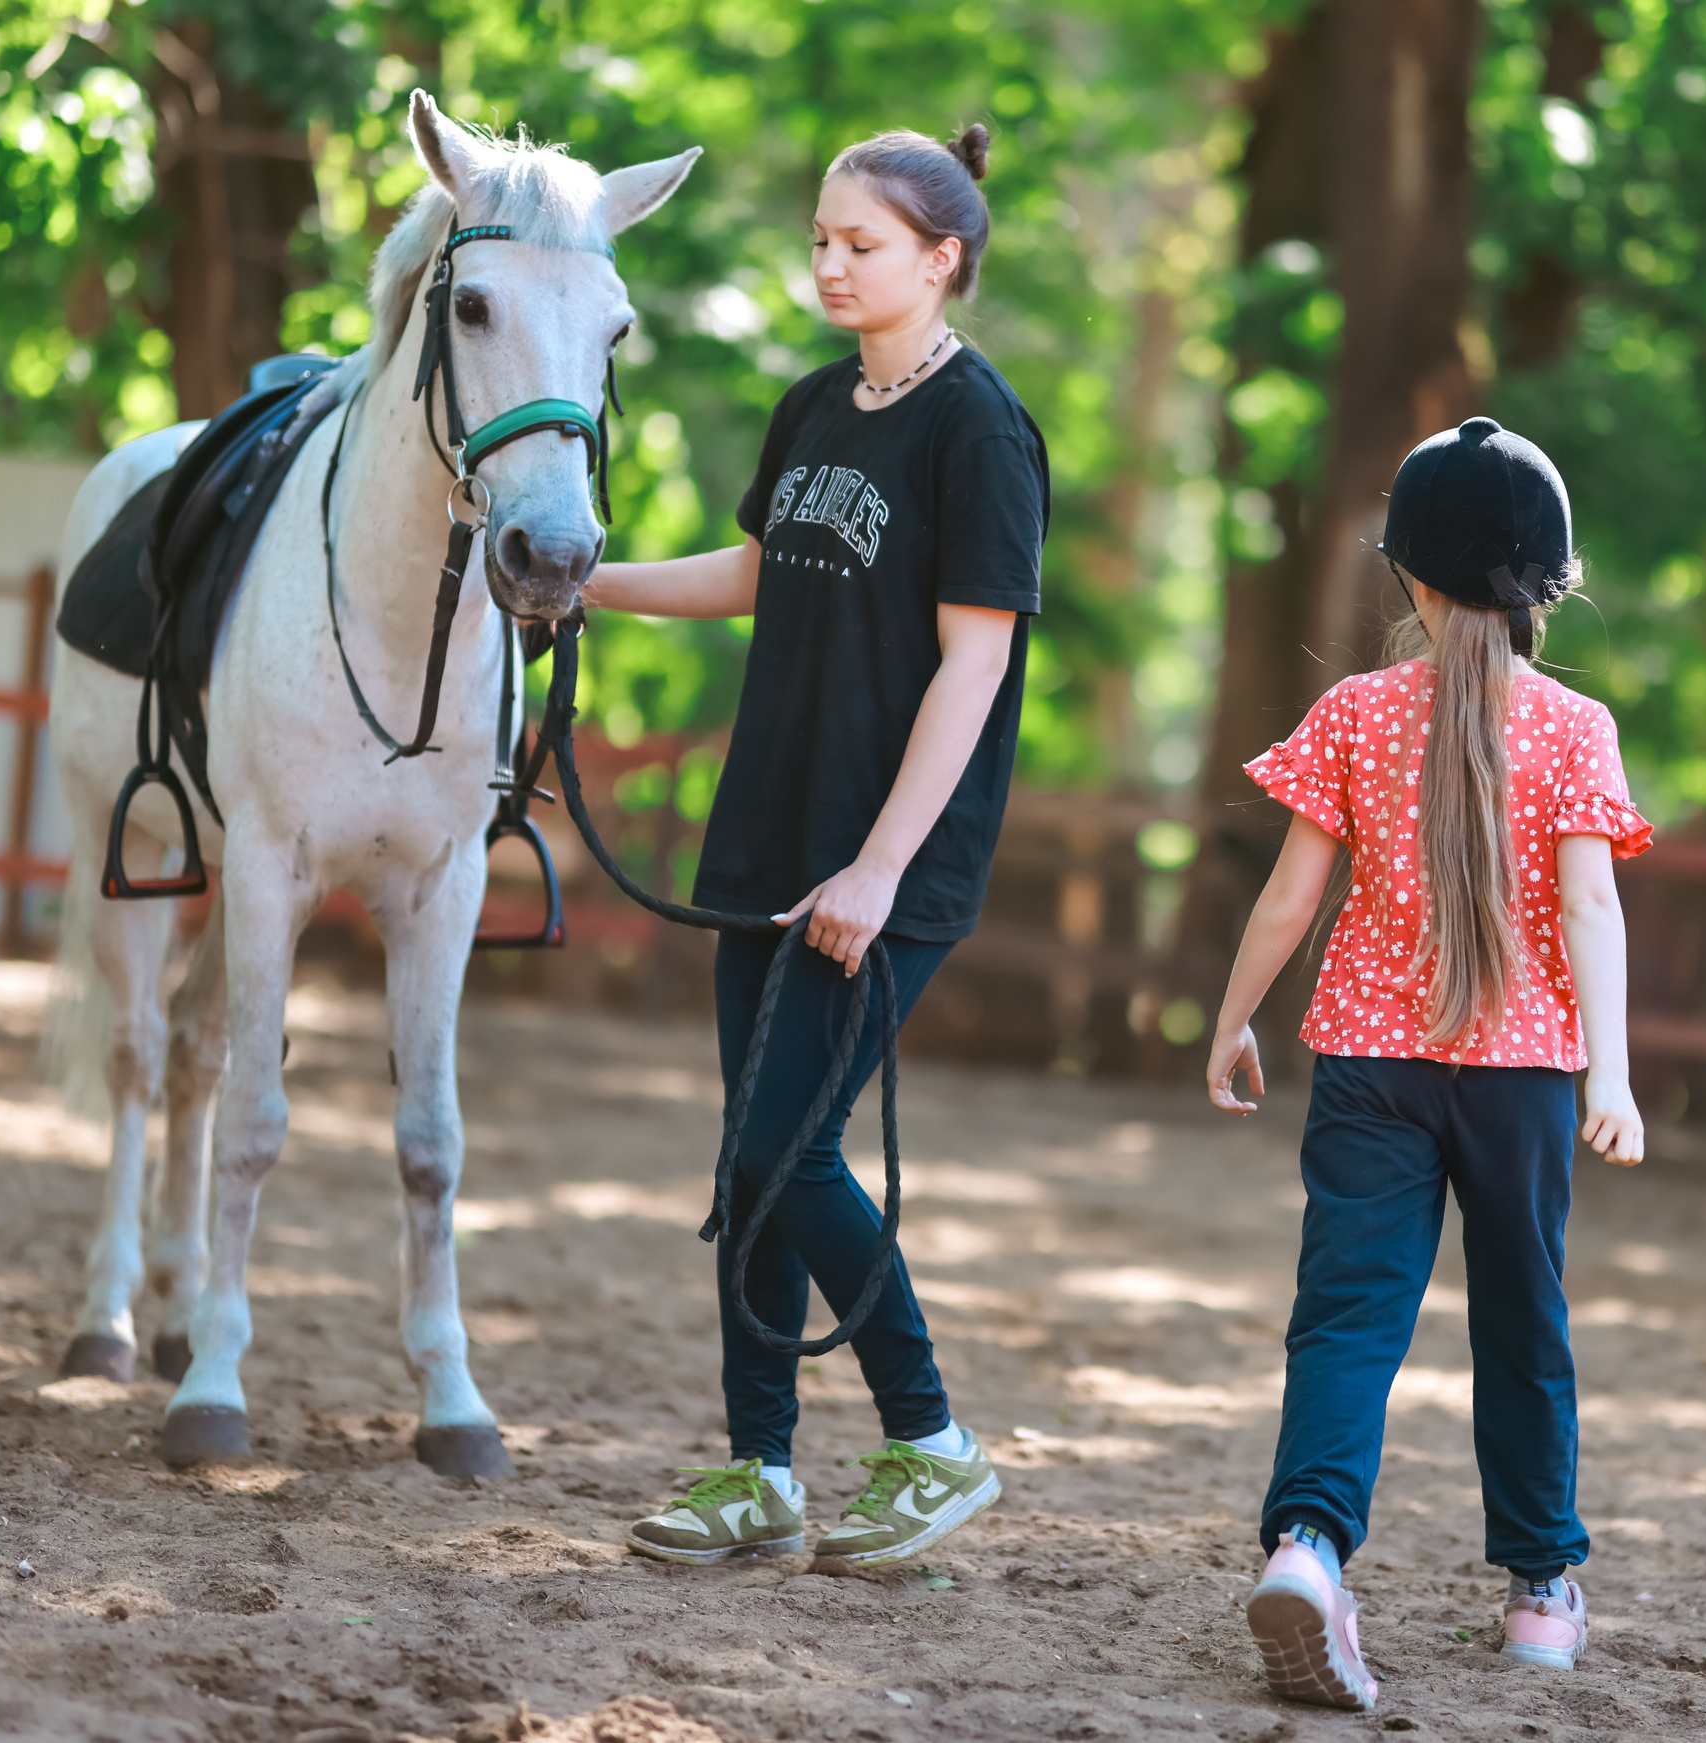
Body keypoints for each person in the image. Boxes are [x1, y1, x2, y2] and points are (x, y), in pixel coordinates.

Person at [579, 124, 1047, 1568]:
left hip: (882, 863)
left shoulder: (981, 432)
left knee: (784, 1142)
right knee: (748, 1161)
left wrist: (880, 870)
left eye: (863, 244)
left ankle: (933, 1442)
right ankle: (758, 1470)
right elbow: (752, 570)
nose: (831, 264)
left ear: (940, 257)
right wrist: (582, 584)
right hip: (768, 836)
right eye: (823, 240)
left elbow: (974, 669)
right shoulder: (810, 407)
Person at [1202, 418, 1650, 1708]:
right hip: (1522, 1080)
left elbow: (1290, 901)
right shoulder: (1576, 727)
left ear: (1408, 574)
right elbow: (1592, 913)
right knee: (1526, 1326)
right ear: (1546, 585)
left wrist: (1234, 1018)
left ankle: (1309, 1547)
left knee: (1346, 1321)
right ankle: (1538, 1594)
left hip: (1364, 1065)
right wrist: (1607, 1077)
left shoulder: (1351, 711)